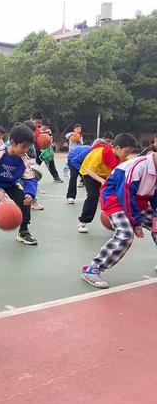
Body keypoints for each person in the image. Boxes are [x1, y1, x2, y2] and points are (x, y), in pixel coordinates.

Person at [81, 152, 157, 289]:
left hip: (139, 200)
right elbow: (126, 195)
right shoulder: (139, 166)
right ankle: (93, 269)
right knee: (126, 234)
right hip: (115, 198)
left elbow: (155, 195)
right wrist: (135, 223)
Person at [77, 133, 137, 233]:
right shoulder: (99, 153)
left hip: (106, 175)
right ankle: (83, 221)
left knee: (118, 196)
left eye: (130, 152)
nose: (128, 154)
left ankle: (117, 221)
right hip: (89, 173)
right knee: (93, 195)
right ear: (117, 148)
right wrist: (102, 181)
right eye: (126, 151)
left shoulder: (124, 159)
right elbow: (88, 169)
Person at [35, 118, 63, 183]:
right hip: (38, 150)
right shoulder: (38, 131)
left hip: (47, 149)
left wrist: (50, 146)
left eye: (47, 126)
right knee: (36, 165)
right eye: (45, 126)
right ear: (41, 125)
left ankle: (56, 177)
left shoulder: (49, 131)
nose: (46, 127)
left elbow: (50, 139)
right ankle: (32, 178)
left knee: (51, 163)